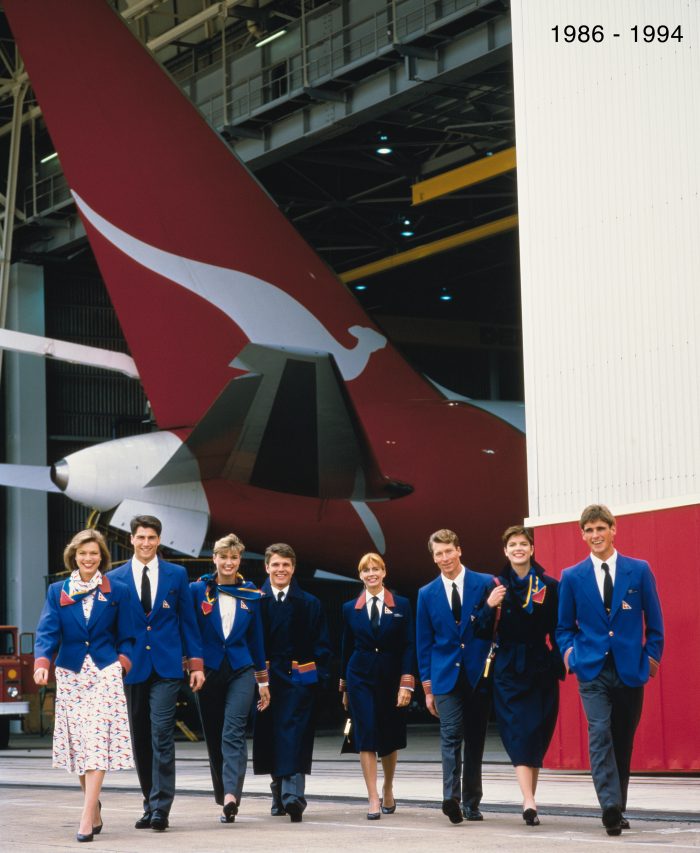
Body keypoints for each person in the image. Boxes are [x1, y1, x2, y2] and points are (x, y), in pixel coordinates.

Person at [557, 504, 664, 836]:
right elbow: (563, 627)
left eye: (600, 528)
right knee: (600, 733)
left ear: (613, 530)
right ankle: (609, 807)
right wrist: (571, 655)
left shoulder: (639, 570)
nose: (595, 535)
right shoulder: (572, 576)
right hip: (592, 669)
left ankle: (618, 808)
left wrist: (651, 659)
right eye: (588, 530)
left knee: (622, 740)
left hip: (631, 669)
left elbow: (655, 624)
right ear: (582, 535)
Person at [33, 529, 135, 843]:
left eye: (93, 553)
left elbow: (131, 635)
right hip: (71, 674)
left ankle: (85, 819)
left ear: (101, 556)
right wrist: (41, 663)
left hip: (105, 672)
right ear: (73, 557)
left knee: (96, 743)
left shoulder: (117, 590)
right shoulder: (57, 591)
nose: (88, 558)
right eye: (82, 554)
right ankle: (95, 808)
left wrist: (122, 663)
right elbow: (47, 632)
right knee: (79, 745)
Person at [109, 514, 204, 832]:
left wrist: (196, 664)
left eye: (151, 537)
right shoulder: (116, 577)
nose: (146, 543)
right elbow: (110, 626)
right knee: (140, 738)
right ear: (132, 539)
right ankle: (149, 804)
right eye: (141, 537)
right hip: (132, 667)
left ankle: (162, 807)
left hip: (167, 667)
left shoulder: (177, 575)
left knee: (161, 732)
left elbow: (189, 622)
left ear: (159, 540)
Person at [475, 526, 564, 826]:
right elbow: (478, 630)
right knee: (518, 733)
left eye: (523, 544)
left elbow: (559, 629)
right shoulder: (495, 586)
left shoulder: (549, 586)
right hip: (509, 669)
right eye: (512, 544)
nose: (518, 549)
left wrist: (559, 658)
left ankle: (530, 800)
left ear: (532, 548)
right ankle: (528, 800)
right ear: (505, 551)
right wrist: (489, 606)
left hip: (540, 667)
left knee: (537, 733)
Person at [190, 533, 270, 823]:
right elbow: (189, 630)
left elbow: (256, 639)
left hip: (241, 668)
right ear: (214, 559)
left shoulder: (251, 593)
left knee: (232, 730)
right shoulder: (198, 591)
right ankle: (222, 790)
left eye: (233, 558)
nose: (228, 562)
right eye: (223, 557)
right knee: (213, 733)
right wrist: (191, 665)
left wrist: (263, 681)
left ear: (239, 560)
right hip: (208, 670)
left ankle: (231, 797)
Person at [416, 529, 494, 824]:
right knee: (450, 735)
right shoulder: (426, 594)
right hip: (444, 676)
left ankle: (472, 803)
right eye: (439, 553)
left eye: (449, 551)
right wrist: (427, 687)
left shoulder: (485, 583)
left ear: (459, 550)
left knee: (475, 739)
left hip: (478, 675)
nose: (445, 558)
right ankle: (451, 798)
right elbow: (423, 643)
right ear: (433, 557)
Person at [253, 543, 331, 822]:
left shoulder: (310, 603)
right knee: (273, 738)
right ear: (266, 567)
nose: (280, 569)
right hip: (266, 683)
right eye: (275, 564)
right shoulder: (255, 601)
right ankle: (278, 796)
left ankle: (293, 797)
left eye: (286, 564)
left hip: (299, 681)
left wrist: (316, 679)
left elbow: (323, 647)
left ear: (293, 568)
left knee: (295, 738)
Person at [339, 553, 415, 820]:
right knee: (366, 734)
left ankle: (388, 786)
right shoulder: (350, 608)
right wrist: (345, 687)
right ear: (360, 575)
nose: (371, 574)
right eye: (366, 570)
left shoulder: (402, 605)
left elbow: (408, 645)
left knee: (389, 735)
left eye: (376, 569)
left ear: (384, 572)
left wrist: (407, 682)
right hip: (360, 676)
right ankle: (372, 796)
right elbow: (346, 647)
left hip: (391, 677)